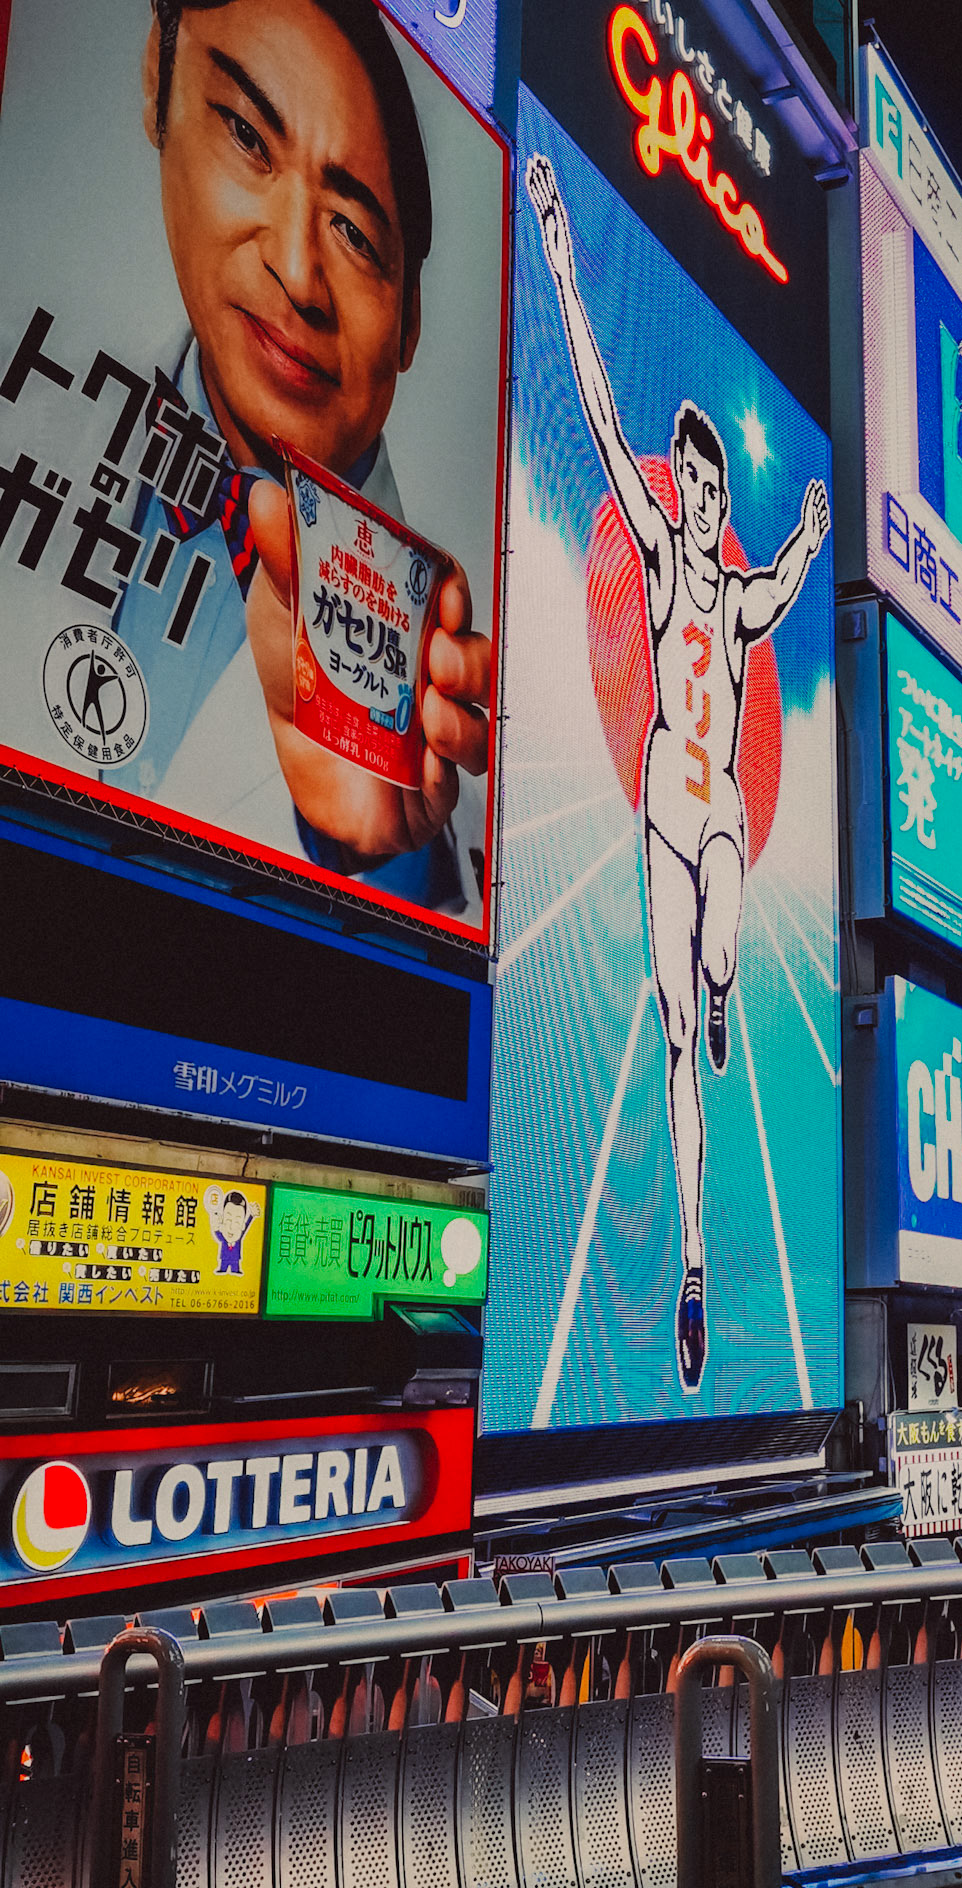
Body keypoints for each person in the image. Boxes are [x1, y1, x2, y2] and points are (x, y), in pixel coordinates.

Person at [525, 150, 829, 1393]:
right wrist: (559, 251)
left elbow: (787, 585)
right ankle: (695, 1259)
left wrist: (810, 536)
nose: (700, 499)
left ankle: (720, 976)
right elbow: (598, 412)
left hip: (719, 811)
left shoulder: (743, 589)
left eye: (711, 487)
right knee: (667, 1036)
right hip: (665, 795)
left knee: (716, 940)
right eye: (692, 483)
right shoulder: (657, 555)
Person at [111, 0, 491, 910]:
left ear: (410, 326)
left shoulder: (436, 689)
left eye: (356, 235)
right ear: (156, 86)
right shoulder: (52, 410)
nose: (295, 269)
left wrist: (372, 857)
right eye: (247, 134)